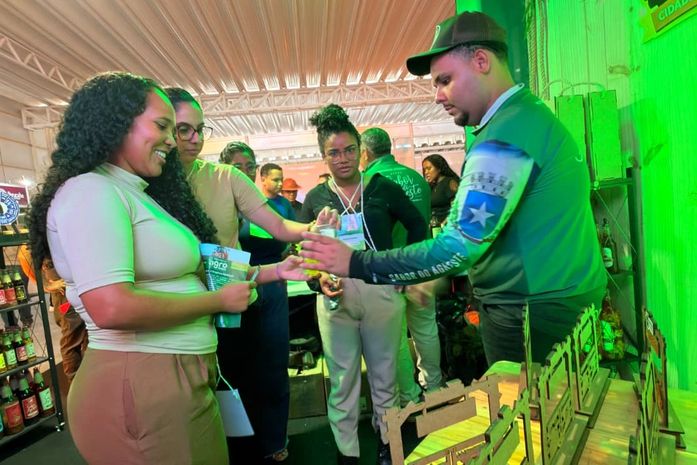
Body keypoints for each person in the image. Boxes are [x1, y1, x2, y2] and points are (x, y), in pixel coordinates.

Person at [27, 72, 307, 465]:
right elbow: (111, 306)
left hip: (175, 378)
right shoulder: (91, 191)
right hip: (143, 382)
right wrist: (216, 301)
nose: (173, 140)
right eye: (163, 126)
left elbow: (200, 269)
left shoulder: (135, 192)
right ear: (118, 122)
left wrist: (275, 271)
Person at [300, 11, 607, 366]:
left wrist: (354, 262)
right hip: (549, 298)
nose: (437, 96)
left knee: (531, 403)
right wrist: (440, 278)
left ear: (481, 61)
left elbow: (457, 246)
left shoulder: (505, 137)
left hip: (533, 311)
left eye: (445, 80)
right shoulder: (526, 116)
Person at [165, 88, 337, 464]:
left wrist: (313, 227)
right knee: (206, 402)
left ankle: (271, 444)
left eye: (200, 129)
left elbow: (279, 226)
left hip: (241, 300)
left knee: (261, 379)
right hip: (185, 316)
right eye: (183, 129)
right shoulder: (149, 185)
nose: (194, 138)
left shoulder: (224, 178)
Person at [298, 104, 427, 465]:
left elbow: (419, 226)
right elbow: (302, 249)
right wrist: (317, 279)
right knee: (342, 381)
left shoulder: (382, 188)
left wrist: (405, 272)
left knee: (385, 378)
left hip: (380, 290)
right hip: (335, 295)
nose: (343, 159)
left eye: (349, 150)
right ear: (323, 156)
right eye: (334, 153)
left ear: (361, 150)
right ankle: (347, 454)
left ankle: (388, 446)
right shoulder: (316, 199)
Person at [360, 127, 443, 404]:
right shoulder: (417, 179)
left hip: (390, 271)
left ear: (365, 153)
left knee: (395, 338)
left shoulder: (370, 183)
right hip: (422, 265)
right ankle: (434, 387)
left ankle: (410, 397)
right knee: (426, 329)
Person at [422, 154, 460, 227]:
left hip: (447, 228)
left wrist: (443, 225)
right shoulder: (431, 186)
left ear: (439, 168)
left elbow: (456, 209)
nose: (426, 172)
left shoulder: (450, 182)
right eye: (424, 170)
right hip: (434, 227)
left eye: (429, 168)